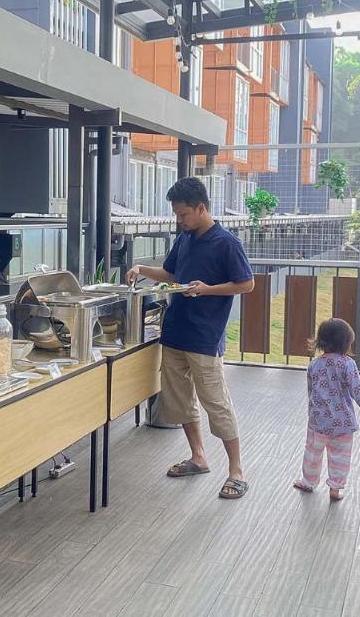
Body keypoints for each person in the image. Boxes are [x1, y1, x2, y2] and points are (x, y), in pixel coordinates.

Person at [126, 177, 254, 500]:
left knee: (216, 403)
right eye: (176, 214)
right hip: (175, 332)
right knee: (181, 401)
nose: (179, 220)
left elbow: (246, 284)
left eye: (183, 214)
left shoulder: (227, 243)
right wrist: (141, 268)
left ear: (201, 208)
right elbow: (171, 275)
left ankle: (237, 470)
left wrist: (207, 290)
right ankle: (198, 457)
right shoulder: (184, 238)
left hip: (205, 337)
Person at [294, 318, 360, 501]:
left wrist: (312, 415)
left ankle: (308, 482)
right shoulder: (348, 364)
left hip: (318, 423)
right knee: (340, 457)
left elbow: (311, 392)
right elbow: (357, 392)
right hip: (343, 423)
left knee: (312, 453)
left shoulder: (314, 365)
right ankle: (335, 489)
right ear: (345, 344)